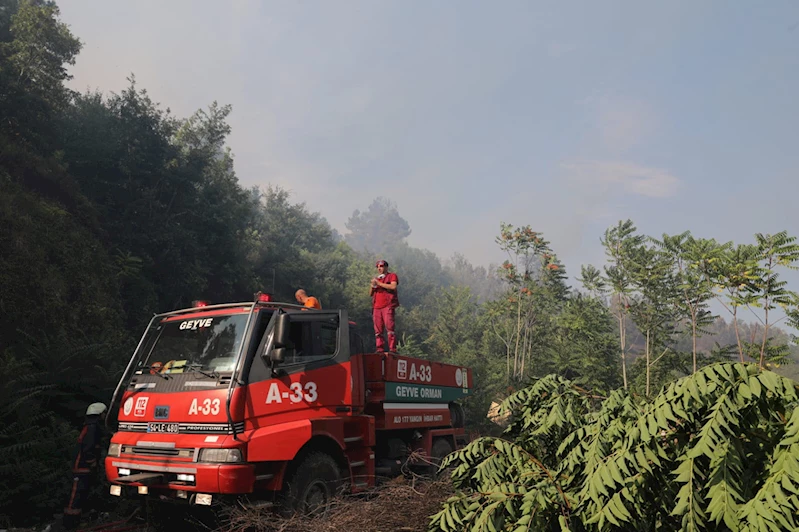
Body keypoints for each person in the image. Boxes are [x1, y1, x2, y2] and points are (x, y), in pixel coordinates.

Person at [63, 402, 107, 530]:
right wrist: (92, 461)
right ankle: (69, 523)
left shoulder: (90, 426)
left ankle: (75, 521)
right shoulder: (92, 428)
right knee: (76, 495)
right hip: (82, 466)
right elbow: (89, 448)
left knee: (81, 494)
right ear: (100, 414)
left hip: (83, 466)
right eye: (104, 413)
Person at [370, 259, 399, 352]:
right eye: (378, 267)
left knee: (390, 328)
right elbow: (370, 294)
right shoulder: (377, 279)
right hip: (376, 307)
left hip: (387, 305)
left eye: (381, 266)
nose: (379, 268)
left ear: (386, 267)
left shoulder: (392, 276)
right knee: (378, 330)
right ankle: (380, 349)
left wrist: (379, 283)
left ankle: (392, 349)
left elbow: (393, 286)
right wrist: (373, 285)